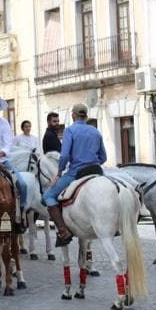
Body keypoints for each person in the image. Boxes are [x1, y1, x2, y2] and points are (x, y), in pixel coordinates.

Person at [43, 103, 106, 247]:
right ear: (86, 116)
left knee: (48, 195)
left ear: (73, 115)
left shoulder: (70, 131)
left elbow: (64, 156)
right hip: (97, 170)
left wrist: (59, 173)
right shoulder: (95, 131)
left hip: (76, 172)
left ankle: (63, 231)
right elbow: (104, 157)